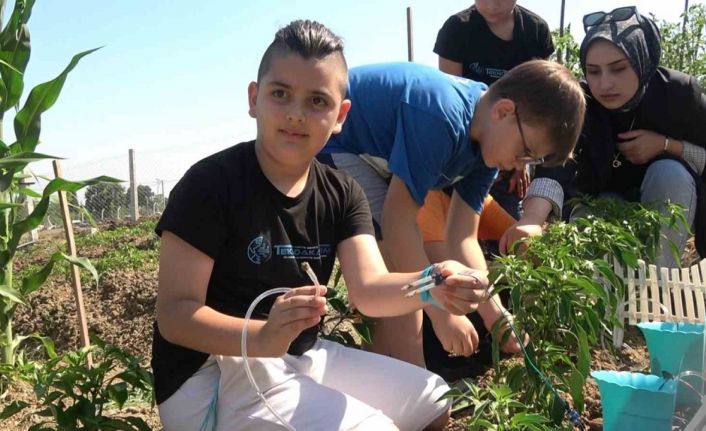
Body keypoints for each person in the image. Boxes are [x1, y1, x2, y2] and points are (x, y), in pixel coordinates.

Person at [152, 20, 491, 431]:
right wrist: (261, 337)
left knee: (434, 400)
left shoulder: (342, 191)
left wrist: (431, 284)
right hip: (211, 375)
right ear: (254, 98)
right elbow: (174, 315)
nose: (296, 114)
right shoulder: (210, 184)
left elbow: (368, 290)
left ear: (340, 115)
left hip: (296, 356)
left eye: (317, 101)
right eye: (280, 94)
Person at [319, 60, 585, 368]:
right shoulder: (443, 119)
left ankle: (392, 381)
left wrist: (496, 314)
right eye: (525, 152)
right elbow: (398, 224)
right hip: (336, 138)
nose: (518, 165)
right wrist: (441, 313)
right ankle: (412, 391)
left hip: (372, 154)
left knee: (407, 287)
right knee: (400, 282)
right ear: (504, 112)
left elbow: (462, 237)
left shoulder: (486, 142)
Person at [501, 8, 706, 268]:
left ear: (642, 61)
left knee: (670, 173)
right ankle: (607, 300)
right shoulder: (580, 103)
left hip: (663, 196)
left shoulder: (679, 94)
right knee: (602, 207)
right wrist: (530, 221)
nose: (605, 84)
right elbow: (555, 167)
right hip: (600, 200)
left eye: (618, 69)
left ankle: (658, 285)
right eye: (594, 71)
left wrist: (666, 146)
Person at [434, 0, 555, 220]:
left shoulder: (535, 31)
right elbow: (452, 102)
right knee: (454, 221)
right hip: (466, 148)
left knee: (505, 233)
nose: (491, 4)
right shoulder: (457, 29)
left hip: (512, 151)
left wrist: (521, 160)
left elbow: (537, 105)